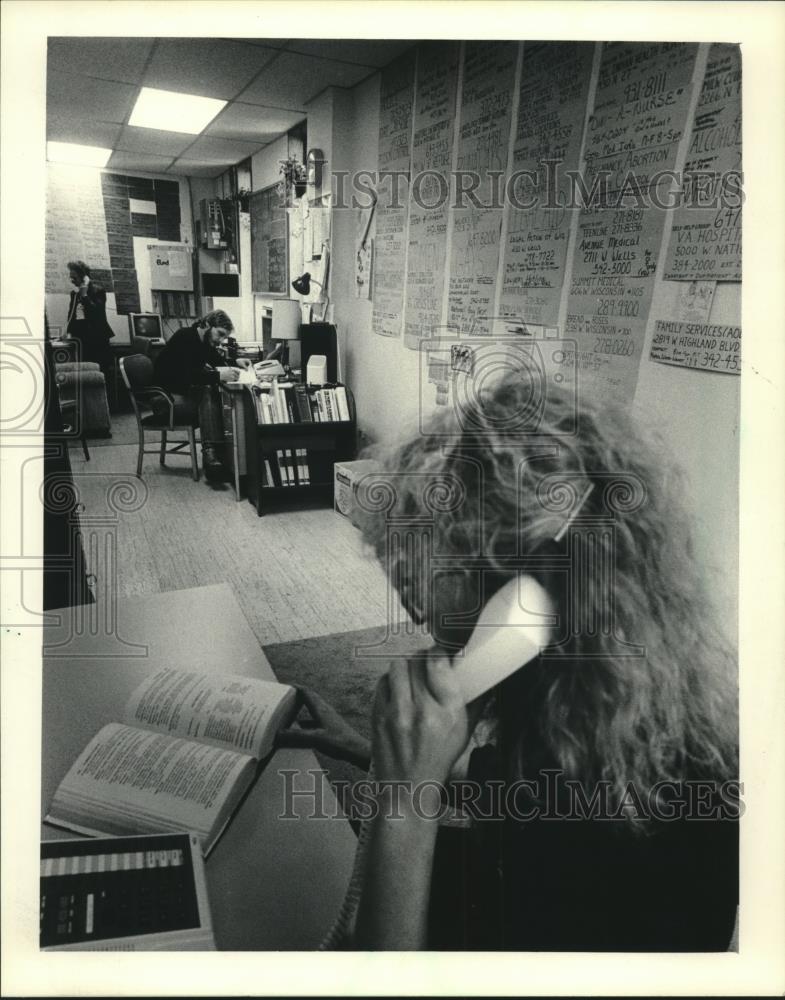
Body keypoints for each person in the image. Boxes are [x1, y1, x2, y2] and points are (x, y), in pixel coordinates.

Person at [281, 371, 739, 951]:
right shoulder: (579, 708)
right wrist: (378, 753)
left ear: (527, 595)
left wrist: (403, 805)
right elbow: (520, 786)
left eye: (431, 575)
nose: (414, 608)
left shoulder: (627, 827)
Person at [153, 309, 244, 480]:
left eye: (224, 337)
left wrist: (235, 361)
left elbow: (216, 360)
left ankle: (218, 456)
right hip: (164, 399)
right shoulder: (185, 337)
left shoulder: (203, 340)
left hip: (178, 393)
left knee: (212, 395)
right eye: (220, 334)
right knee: (208, 394)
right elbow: (188, 375)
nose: (220, 340)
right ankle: (212, 455)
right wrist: (218, 376)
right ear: (208, 325)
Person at [65, 260, 114, 371]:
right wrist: (68, 333)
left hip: (96, 340)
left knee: (99, 372)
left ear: (84, 277)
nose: (72, 281)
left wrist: (85, 295)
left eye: (74, 278)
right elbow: (71, 316)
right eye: (71, 278)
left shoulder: (98, 291)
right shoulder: (75, 295)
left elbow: (97, 313)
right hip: (81, 340)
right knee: (86, 372)